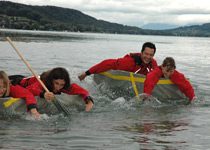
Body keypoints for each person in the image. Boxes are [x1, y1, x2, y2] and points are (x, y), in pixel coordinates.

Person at [12, 67, 94, 111]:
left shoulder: (63, 85)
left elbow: (81, 90)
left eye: (62, 85)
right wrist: (43, 94)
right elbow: (30, 89)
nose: (58, 88)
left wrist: (89, 100)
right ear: (51, 80)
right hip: (15, 82)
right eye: (56, 83)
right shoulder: (44, 82)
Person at [78, 42, 158, 80]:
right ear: (141, 52)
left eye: (151, 55)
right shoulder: (129, 62)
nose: (148, 57)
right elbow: (107, 63)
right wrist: (86, 73)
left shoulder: (153, 63)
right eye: (146, 54)